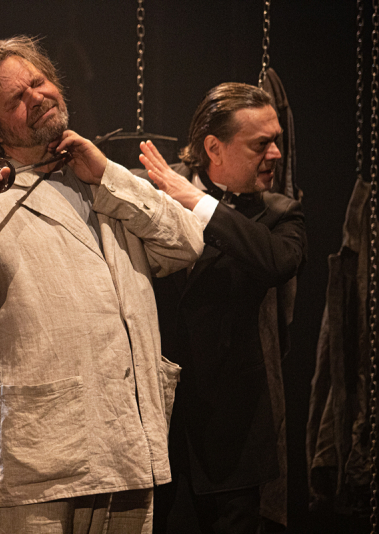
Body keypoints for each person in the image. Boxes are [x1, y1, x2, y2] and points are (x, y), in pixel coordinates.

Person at [0, 36, 205, 534]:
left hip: (129, 446)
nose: (37, 96)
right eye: (16, 99)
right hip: (44, 460)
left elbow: (188, 243)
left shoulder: (103, 182)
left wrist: (107, 173)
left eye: (39, 81)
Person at [138, 82, 307, 534]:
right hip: (152, 429)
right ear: (214, 147)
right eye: (261, 144)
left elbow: (278, 262)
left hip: (232, 433)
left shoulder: (280, 213)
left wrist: (198, 202)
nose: (275, 154)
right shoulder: (150, 189)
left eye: (276, 141)